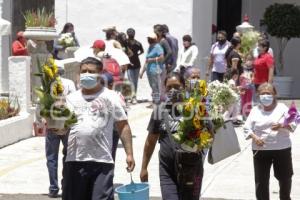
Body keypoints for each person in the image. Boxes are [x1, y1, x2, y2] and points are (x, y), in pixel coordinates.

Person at [62, 57, 135, 200]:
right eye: (84, 71)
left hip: (102, 161)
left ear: (100, 73)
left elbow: (123, 126)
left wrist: (129, 154)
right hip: (74, 160)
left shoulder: (111, 97)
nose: (86, 74)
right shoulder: (71, 99)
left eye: (91, 71)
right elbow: (63, 128)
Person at [140, 72, 204, 200]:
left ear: (184, 87)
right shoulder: (159, 111)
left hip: (191, 168)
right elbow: (150, 141)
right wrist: (144, 167)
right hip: (167, 170)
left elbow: (209, 136)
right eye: (169, 87)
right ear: (164, 89)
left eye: (177, 86)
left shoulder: (196, 109)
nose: (173, 90)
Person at [244, 83, 294, 200]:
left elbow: (294, 123)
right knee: (261, 181)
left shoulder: (283, 108)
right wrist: (255, 137)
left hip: (282, 149)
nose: (265, 96)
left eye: (268, 93)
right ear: (258, 95)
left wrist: (282, 125)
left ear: (275, 94)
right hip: (261, 150)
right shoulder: (255, 110)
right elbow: (247, 128)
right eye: (263, 94)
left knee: (285, 178)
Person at [45, 65, 76, 198]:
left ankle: (53, 188)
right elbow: (75, 101)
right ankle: (66, 184)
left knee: (51, 158)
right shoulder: (69, 83)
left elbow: (41, 104)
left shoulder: (47, 84)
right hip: (66, 123)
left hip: (52, 124)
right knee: (68, 155)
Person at [140, 32, 164, 106]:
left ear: (154, 39)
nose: (149, 40)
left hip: (155, 70)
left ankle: (156, 102)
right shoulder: (150, 47)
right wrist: (142, 71)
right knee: (152, 86)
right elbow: (147, 60)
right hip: (149, 71)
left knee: (155, 86)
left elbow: (161, 57)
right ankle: (155, 100)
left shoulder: (157, 47)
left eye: (150, 39)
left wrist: (152, 59)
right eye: (148, 38)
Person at [126, 28, 144, 104]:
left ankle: (134, 97)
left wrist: (136, 55)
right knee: (131, 82)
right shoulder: (125, 43)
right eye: (130, 33)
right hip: (129, 64)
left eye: (131, 33)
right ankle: (132, 96)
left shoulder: (138, 43)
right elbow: (142, 51)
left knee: (135, 81)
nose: (131, 34)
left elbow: (142, 51)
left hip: (136, 64)